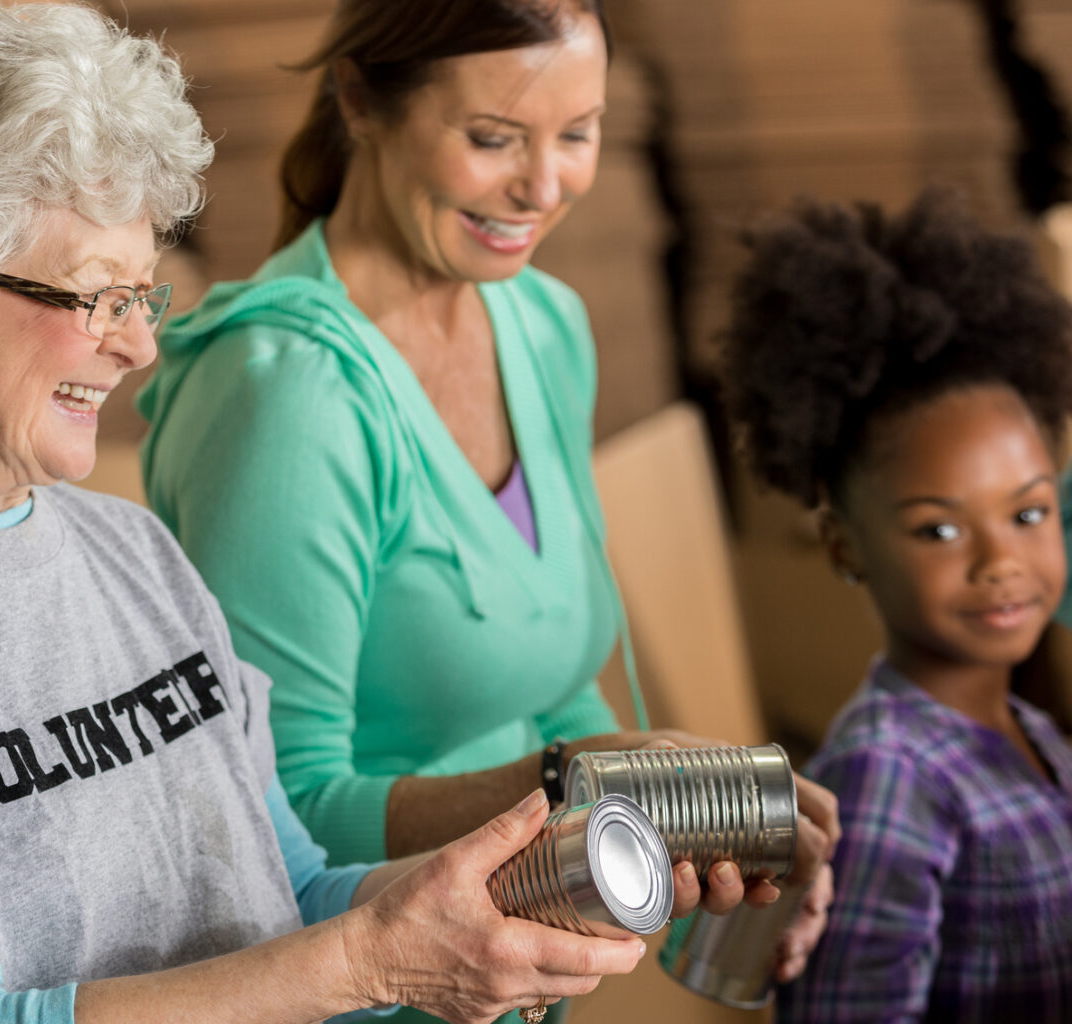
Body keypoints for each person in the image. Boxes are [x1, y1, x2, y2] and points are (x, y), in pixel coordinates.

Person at [0, 3, 651, 1023]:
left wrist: (511, 900)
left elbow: (292, 894)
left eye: (143, 297)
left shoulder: (128, 550)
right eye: (96, 298)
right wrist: (368, 963)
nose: (138, 349)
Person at [135, 1, 836, 1005]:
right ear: (360, 101)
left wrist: (677, 829)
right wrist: (574, 780)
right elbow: (268, 812)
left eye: (578, 134)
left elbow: (555, 684)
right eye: (493, 137)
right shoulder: (287, 394)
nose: (544, 186)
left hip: (509, 979)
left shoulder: (543, 322)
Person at [720, 191, 1072, 1022]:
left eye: (1027, 514)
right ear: (845, 546)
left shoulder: (1031, 731)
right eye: (940, 529)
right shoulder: (887, 778)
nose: (1000, 563)